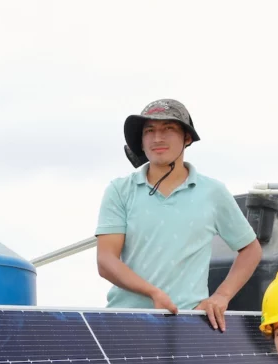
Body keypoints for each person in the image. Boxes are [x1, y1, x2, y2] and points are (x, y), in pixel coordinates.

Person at [95, 98, 262, 332]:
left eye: (168, 129)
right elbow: (106, 261)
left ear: (187, 138)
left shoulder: (213, 192)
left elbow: (250, 249)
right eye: (149, 131)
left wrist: (221, 296)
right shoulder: (119, 190)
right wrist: (152, 292)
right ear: (141, 141)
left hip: (189, 322)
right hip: (125, 321)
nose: (157, 138)